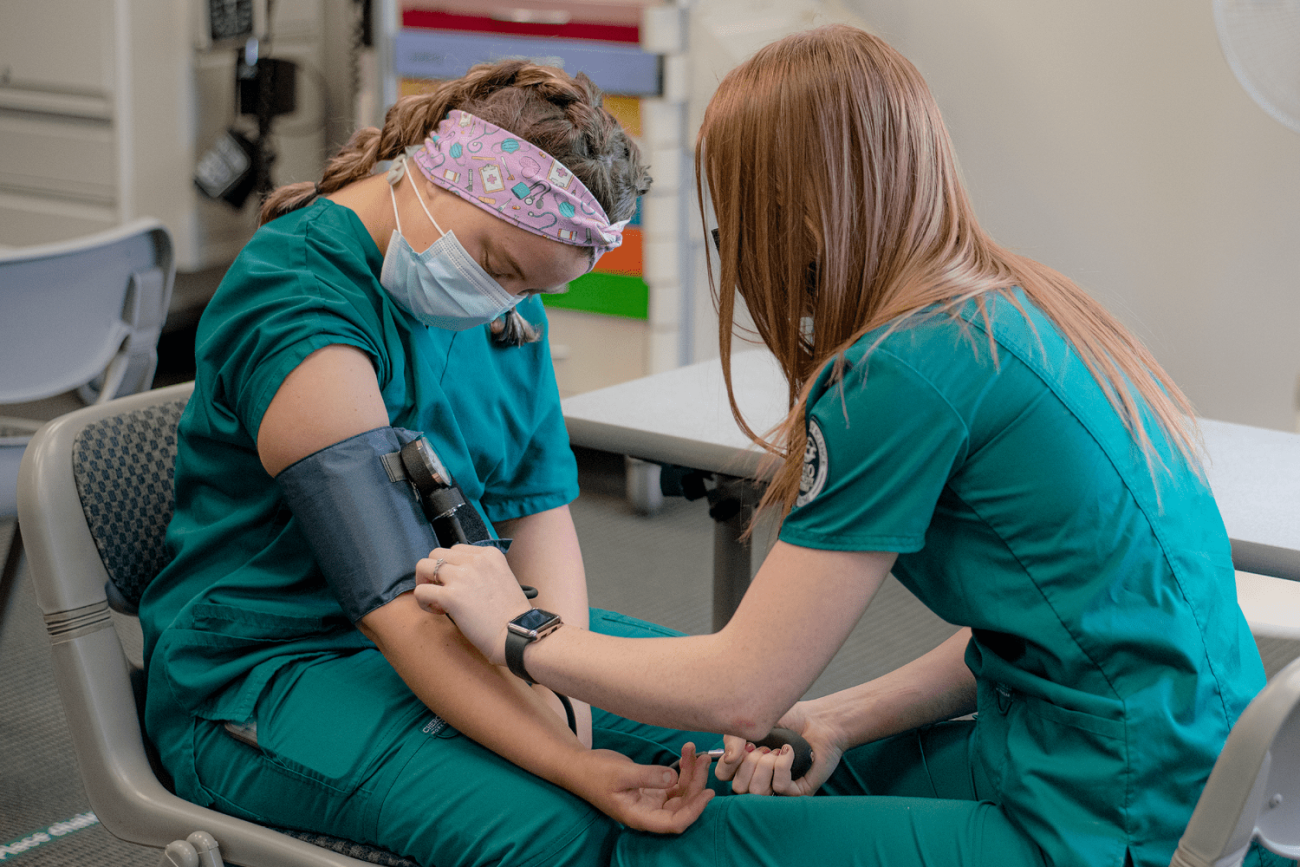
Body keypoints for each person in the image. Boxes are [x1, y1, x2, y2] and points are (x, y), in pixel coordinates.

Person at [412, 25, 1284, 867]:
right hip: (1175, 764)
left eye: (738, 220)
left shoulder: (902, 371)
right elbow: (1050, 623)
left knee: (667, 843)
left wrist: (520, 630)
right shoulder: (1014, 308)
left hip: (1113, 817)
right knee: (779, 778)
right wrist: (836, 717)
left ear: (794, 218)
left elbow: (742, 688)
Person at [139, 60, 715, 867]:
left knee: (731, 743)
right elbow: (391, 595)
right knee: (560, 827)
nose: (503, 304)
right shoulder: (299, 295)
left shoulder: (502, 302)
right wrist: (571, 759)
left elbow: (537, 509)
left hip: (465, 622)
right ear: (438, 176)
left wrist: (562, 679)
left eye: (527, 290)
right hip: (273, 667)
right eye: (500, 266)